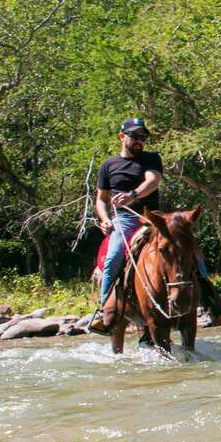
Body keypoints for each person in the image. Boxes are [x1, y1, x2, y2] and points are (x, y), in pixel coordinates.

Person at [88, 118, 162, 334]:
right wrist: (105, 219)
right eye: (135, 136)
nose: (140, 141)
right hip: (125, 219)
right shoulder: (108, 165)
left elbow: (153, 181)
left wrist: (133, 195)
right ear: (122, 136)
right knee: (113, 257)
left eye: (143, 137)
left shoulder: (151, 158)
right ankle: (106, 311)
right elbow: (101, 199)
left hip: (152, 216)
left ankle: (212, 297)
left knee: (185, 242)